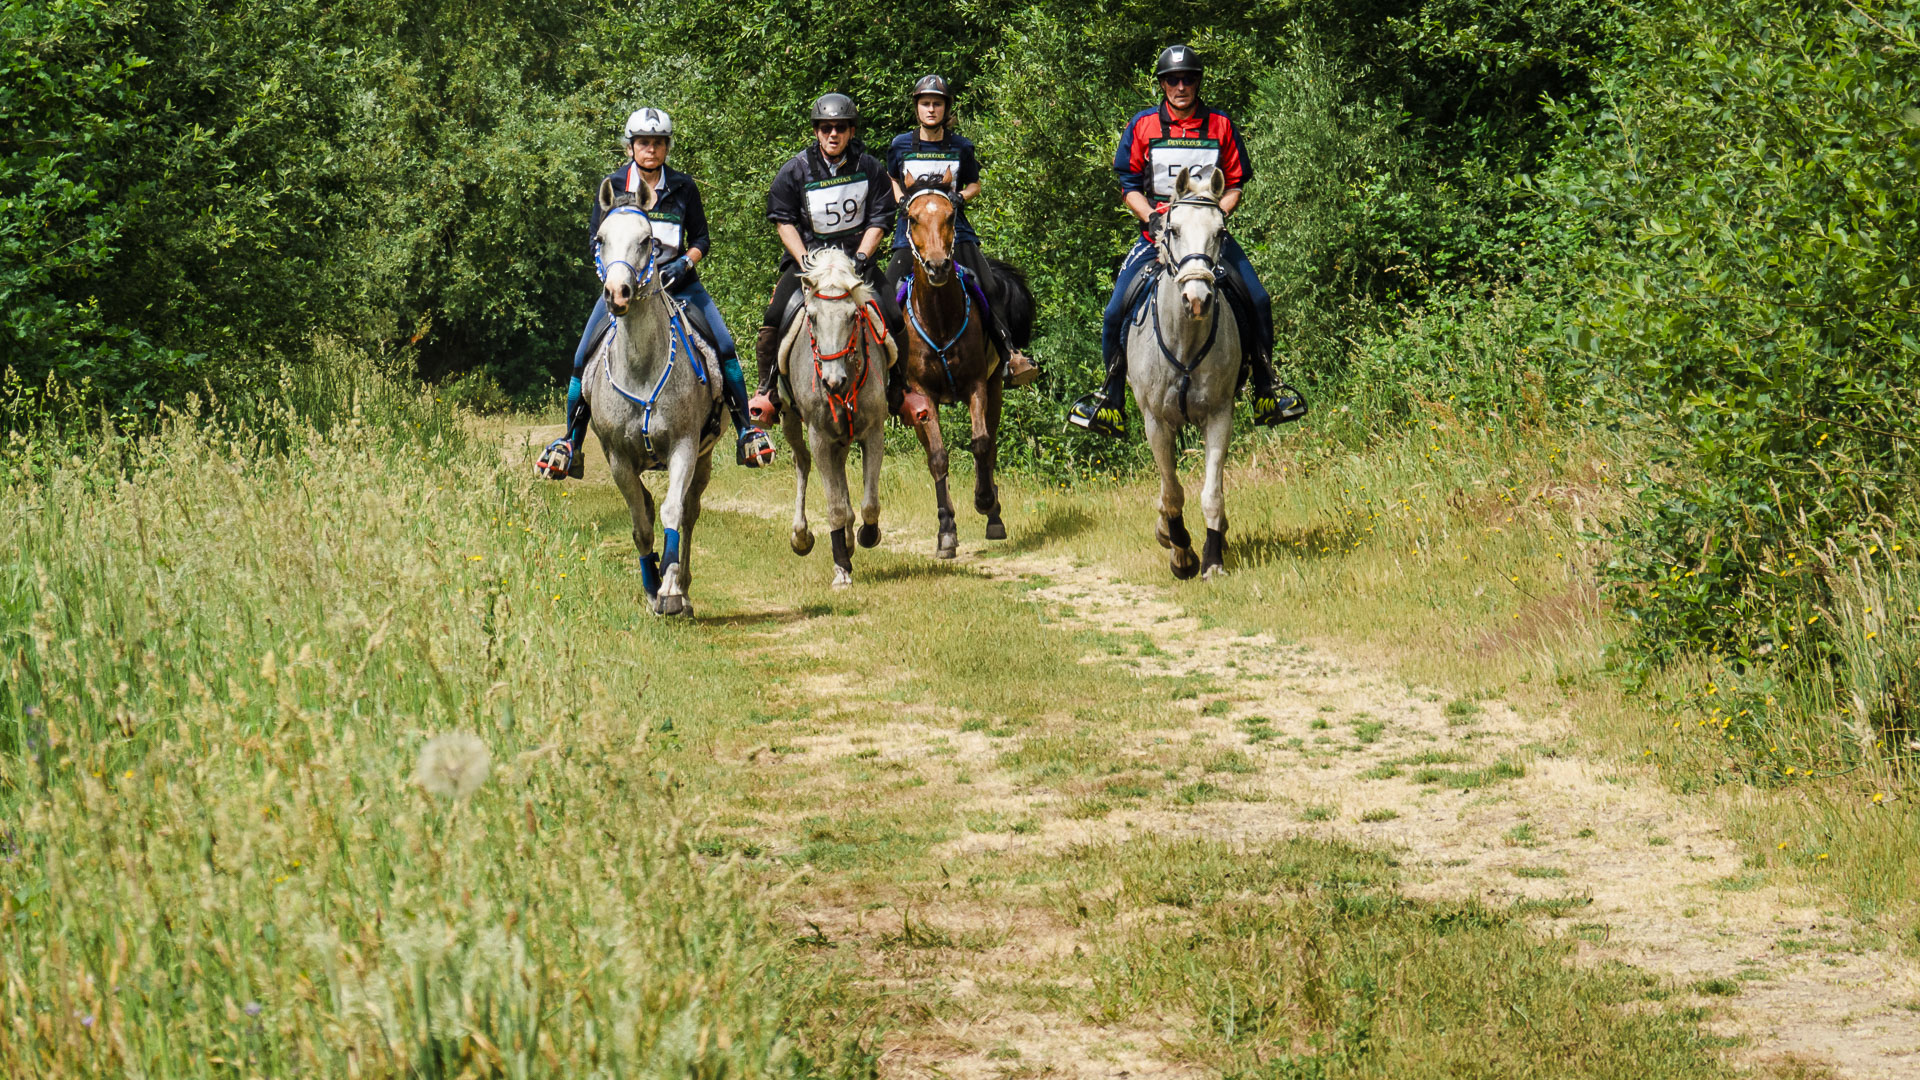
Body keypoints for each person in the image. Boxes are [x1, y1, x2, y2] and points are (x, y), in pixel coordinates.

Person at [1066, 45, 1305, 437]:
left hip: (1208, 240)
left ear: (1198, 83)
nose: (1181, 86)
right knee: (1113, 311)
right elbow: (1128, 186)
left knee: (1258, 299)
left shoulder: (1221, 126)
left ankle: (1266, 388)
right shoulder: (1142, 126)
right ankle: (1110, 397)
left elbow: (1236, 183)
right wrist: (1154, 218)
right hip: (1158, 237)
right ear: (1162, 85)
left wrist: (1217, 216)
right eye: (1173, 80)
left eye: (1188, 79)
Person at [537, 108, 773, 480]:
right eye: (644, 143)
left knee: (724, 346)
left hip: (680, 287)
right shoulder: (611, 187)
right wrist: (615, 275)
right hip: (626, 291)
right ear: (631, 147)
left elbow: (701, 240)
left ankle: (746, 431)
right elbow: (595, 242)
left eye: (658, 143)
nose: (651, 149)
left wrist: (686, 263)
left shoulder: (683, 187)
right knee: (583, 357)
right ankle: (570, 442)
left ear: (667, 147)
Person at [750, 94, 912, 424]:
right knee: (774, 315)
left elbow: (880, 219)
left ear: (851, 131)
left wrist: (864, 256)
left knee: (894, 315)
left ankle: (901, 389)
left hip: (855, 263)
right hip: (809, 263)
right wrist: (806, 260)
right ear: (816, 131)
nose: (833, 134)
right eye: (826, 128)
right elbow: (784, 221)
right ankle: (767, 390)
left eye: (840, 128)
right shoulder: (795, 170)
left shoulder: (869, 168)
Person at [882, 74, 1039, 387]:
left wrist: (960, 197)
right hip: (912, 235)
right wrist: (901, 201)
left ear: (945, 109)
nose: (931, 109)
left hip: (956, 234)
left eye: (937, 104)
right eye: (925, 103)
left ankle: (1010, 355)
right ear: (917, 108)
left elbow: (974, 185)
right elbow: (892, 179)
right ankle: (888, 373)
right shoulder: (900, 145)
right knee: (886, 294)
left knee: (989, 286)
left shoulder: (961, 147)